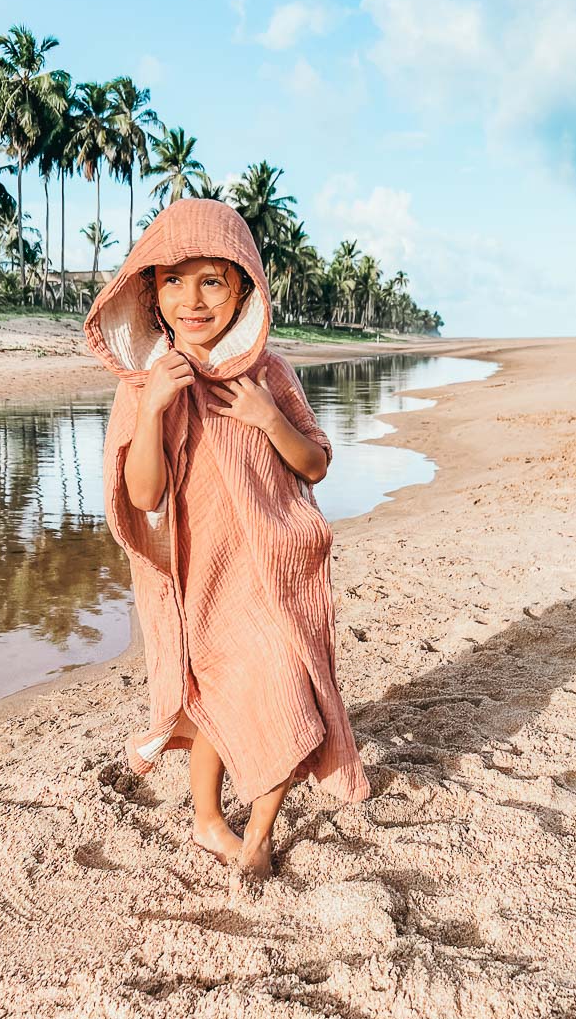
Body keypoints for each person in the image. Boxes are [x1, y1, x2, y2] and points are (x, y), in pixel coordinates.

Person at [83, 198, 370, 880]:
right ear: (151, 290)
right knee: (211, 697)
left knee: (279, 684)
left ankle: (261, 834)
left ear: (243, 287)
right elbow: (144, 495)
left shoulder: (267, 373)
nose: (193, 299)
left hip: (268, 570)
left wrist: (269, 418)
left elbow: (317, 464)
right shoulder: (144, 383)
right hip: (197, 577)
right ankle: (208, 822)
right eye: (174, 281)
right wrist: (153, 408)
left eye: (213, 280)